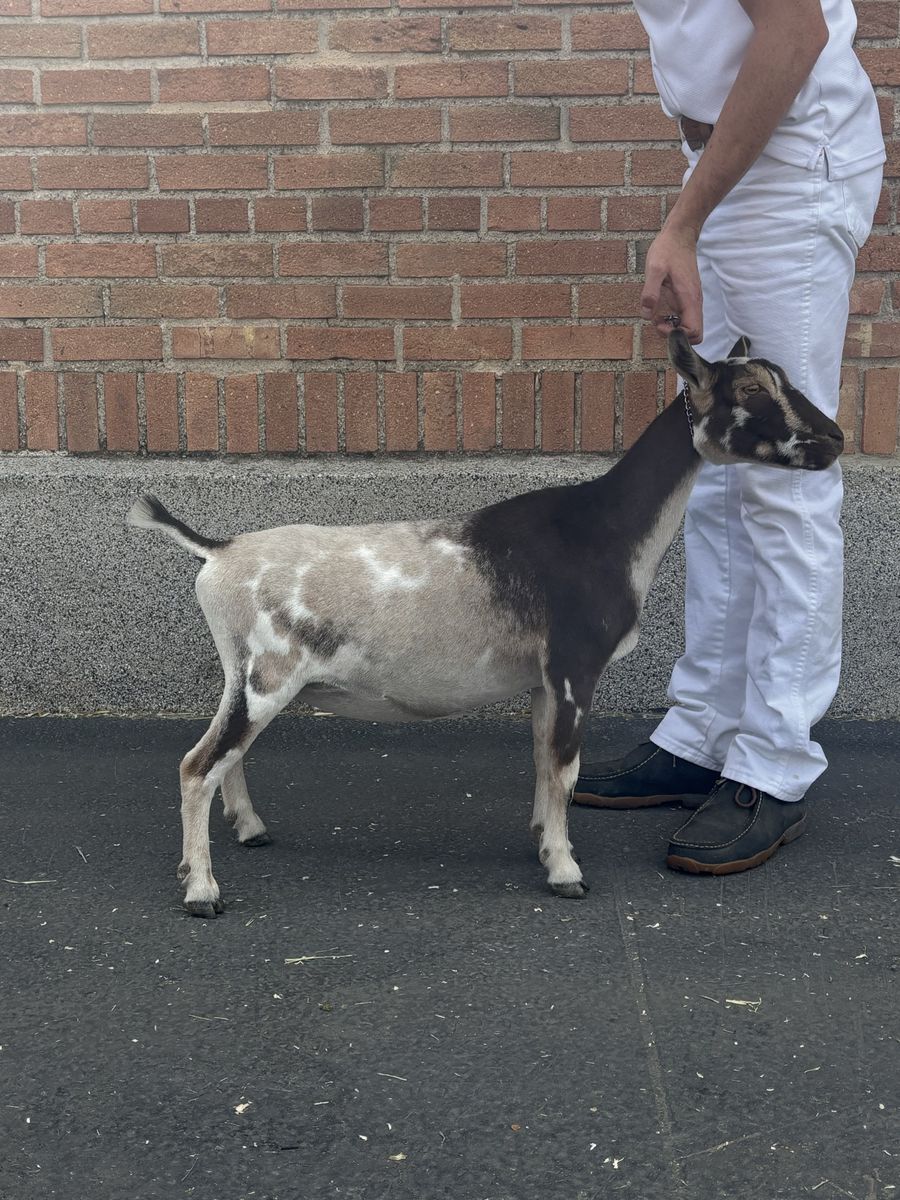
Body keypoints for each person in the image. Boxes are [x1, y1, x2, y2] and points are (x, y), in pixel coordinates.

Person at [573, 0, 886, 874]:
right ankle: (704, 732)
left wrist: (683, 222)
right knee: (716, 466)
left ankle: (775, 763)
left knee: (784, 479)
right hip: (732, 166)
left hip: (787, 174)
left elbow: (794, 33)